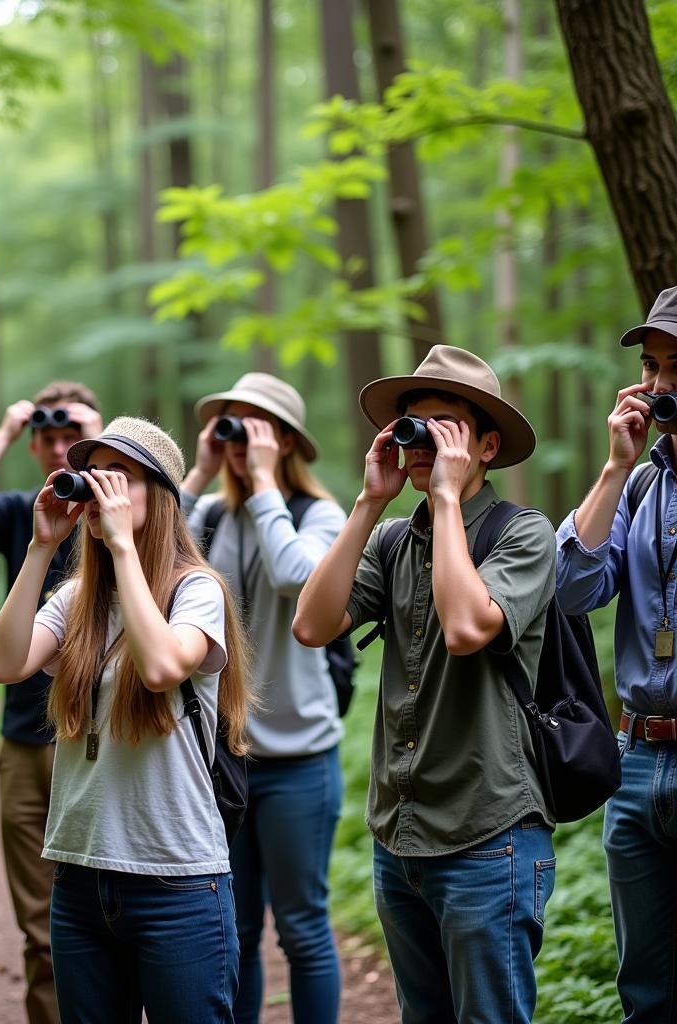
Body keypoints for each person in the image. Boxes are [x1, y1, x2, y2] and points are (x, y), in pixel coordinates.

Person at [294, 345, 557, 1024]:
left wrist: (444, 497)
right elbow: (312, 624)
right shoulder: (391, 540)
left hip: (487, 837)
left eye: (441, 426)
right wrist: (365, 503)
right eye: (410, 425)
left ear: (486, 446)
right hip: (400, 839)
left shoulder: (523, 534)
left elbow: (469, 627)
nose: (419, 442)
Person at [0, 416, 252, 1024]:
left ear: (158, 498)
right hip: (80, 877)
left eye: (120, 476)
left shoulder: (197, 591)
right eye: (93, 474)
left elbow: (160, 667)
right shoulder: (76, 599)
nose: (100, 487)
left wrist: (125, 549)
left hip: (177, 881)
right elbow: (2, 664)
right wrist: (41, 547)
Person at [181, 373, 345, 1024]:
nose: (242, 439)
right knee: (236, 927)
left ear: (285, 442)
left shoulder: (320, 516)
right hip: (227, 758)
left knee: (301, 928)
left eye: (257, 426)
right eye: (233, 424)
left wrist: (268, 486)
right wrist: (197, 473)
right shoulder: (214, 515)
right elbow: (150, 552)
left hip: (300, 759)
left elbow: (294, 578)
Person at [0, 380, 102, 1024]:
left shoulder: (123, 509)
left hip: (98, 739)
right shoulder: (21, 512)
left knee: (106, 912)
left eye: (74, 437)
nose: (61, 448)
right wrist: (5, 430)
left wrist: (104, 441)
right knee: (40, 924)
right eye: (49, 437)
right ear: (33, 445)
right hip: (25, 738)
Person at [555, 286, 677, 1023]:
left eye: (674, 367)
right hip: (635, 763)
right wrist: (614, 467)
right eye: (652, 368)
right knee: (644, 993)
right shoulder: (638, 484)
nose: (659, 385)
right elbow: (573, 590)